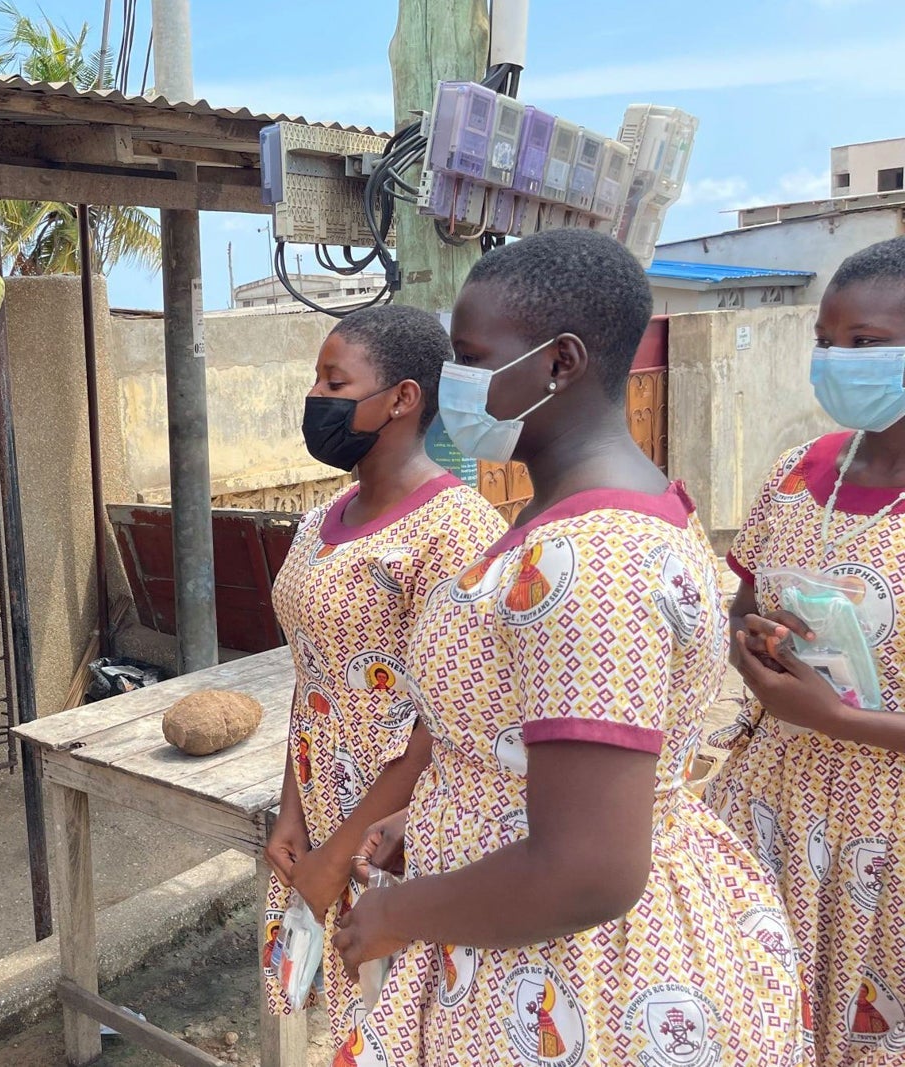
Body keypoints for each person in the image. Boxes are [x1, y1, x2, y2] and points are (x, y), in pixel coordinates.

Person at [329, 229, 804, 1065]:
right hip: (533, 939)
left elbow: (589, 869)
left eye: (472, 356)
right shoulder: (590, 517)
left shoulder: (592, 561)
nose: (453, 383)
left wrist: (400, 914)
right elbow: (538, 740)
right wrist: (446, 811)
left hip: (577, 982)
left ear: (561, 362)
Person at [261, 305, 506, 1051]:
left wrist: (342, 851)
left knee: (403, 1026)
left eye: (335, 381)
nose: (316, 397)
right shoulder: (320, 519)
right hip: (320, 810)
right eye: (315, 379)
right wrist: (292, 811)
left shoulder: (457, 530)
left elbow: (449, 720)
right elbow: (313, 676)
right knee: (334, 1015)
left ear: (402, 398)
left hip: (395, 837)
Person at [705, 235, 905, 1064]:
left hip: (884, 840)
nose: (837, 361)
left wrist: (836, 718)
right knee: (755, 1018)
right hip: (769, 804)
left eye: (864, 344)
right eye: (827, 342)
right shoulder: (797, 470)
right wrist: (750, 642)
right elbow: (744, 603)